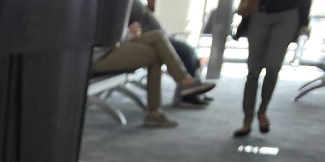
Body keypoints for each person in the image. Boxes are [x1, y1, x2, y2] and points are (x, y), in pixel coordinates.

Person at [93, 25, 215, 128]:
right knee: (156, 43)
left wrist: (127, 32)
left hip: (106, 48)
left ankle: (158, 108)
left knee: (157, 40)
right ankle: (183, 83)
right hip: (96, 55)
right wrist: (128, 34)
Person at [234, 0, 311, 136]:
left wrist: (304, 21)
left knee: (273, 66)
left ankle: (262, 111)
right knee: (253, 70)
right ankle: (247, 121)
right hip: (259, 11)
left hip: (288, 14)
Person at [128, 0, 210, 105]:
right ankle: (187, 88)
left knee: (190, 51)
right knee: (186, 52)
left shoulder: (135, 4)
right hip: (150, 39)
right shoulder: (128, 5)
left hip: (159, 37)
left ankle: (193, 89)